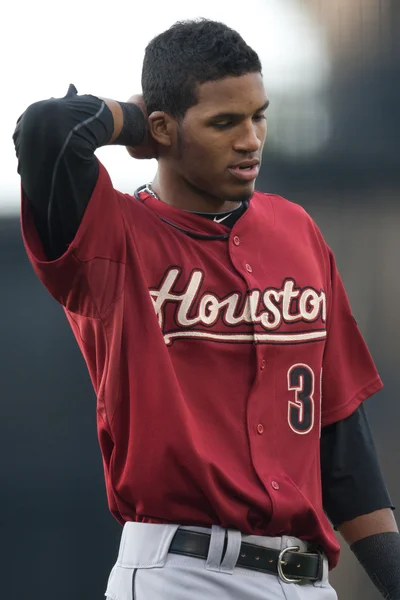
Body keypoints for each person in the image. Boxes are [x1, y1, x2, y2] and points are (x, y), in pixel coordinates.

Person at [13, 18, 400, 600]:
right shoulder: (114, 237)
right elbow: (47, 129)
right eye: (224, 122)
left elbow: (340, 438)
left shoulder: (297, 230)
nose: (250, 139)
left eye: (258, 116)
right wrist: (138, 119)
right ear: (163, 129)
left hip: (307, 580)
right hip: (182, 573)